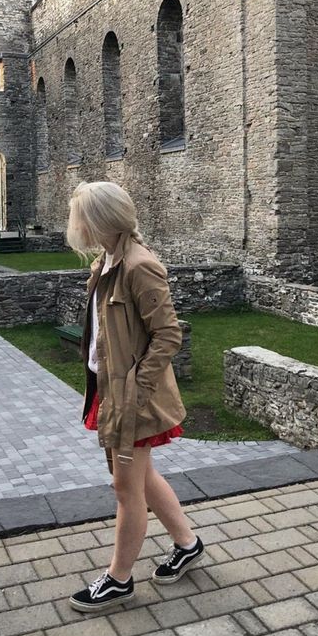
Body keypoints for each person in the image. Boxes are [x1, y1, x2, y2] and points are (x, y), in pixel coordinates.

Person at [65, 181, 206, 613]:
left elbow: (168, 335)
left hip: (132, 398)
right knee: (140, 480)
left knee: (125, 488)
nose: (75, 225)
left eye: (81, 217)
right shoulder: (106, 262)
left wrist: (137, 391)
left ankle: (119, 579)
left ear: (100, 221)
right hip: (110, 390)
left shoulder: (139, 266)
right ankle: (187, 544)